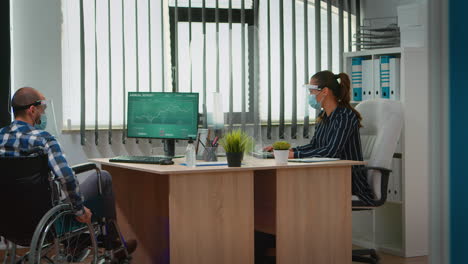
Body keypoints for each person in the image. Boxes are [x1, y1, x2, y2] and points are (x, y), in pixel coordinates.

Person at [0, 87, 136, 258]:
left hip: (7, 223)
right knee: (103, 177)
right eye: (42, 109)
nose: (43, 114)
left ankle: (79, 242)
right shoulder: (44, 139)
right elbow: (65, 176)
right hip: (44, 222)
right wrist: (79, 210)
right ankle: (113, 244)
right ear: (32, 110)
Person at [264, 71, 374, 205]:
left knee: (291, 191)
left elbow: (331, 152)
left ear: (325, 91)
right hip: (328, 176)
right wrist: (285, 151)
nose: (310, 96)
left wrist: (293, 155)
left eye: (312, 91)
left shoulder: (345, 116)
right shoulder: (324, 116)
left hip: (348, 180)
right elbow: (314, 146)